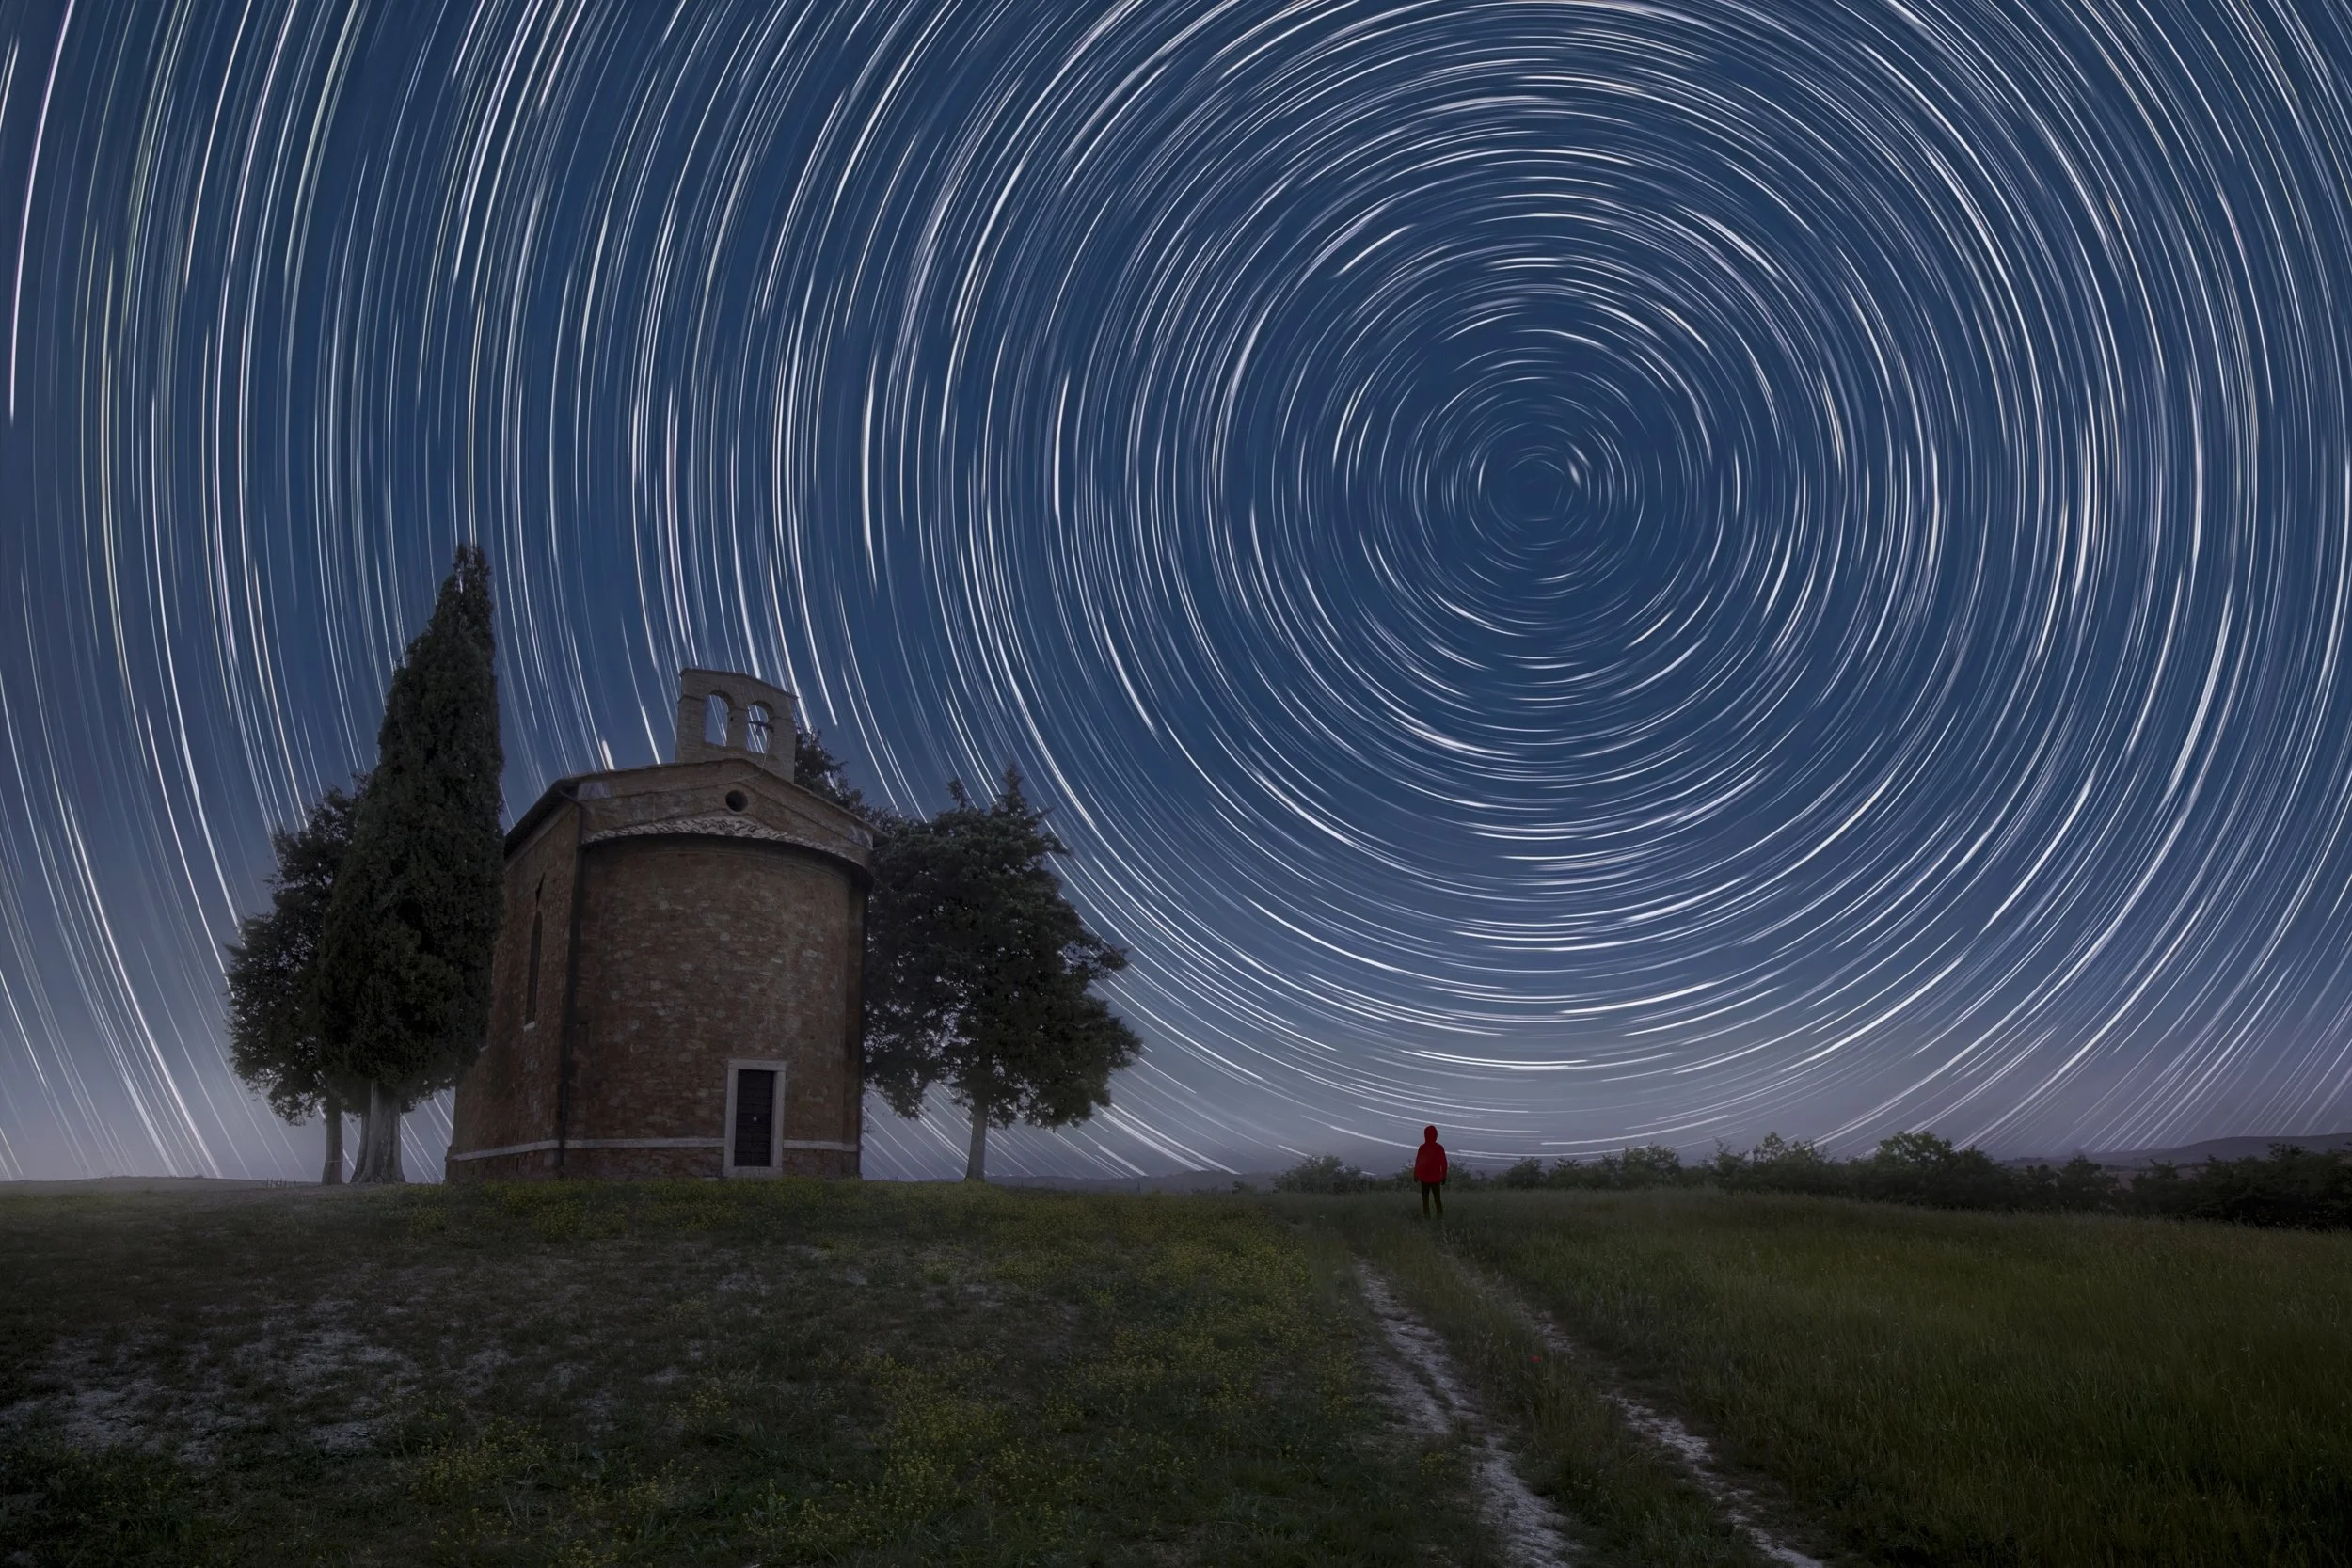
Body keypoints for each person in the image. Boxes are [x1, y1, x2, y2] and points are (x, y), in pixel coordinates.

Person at [1414, 1125, 1448, 1217]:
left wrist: (1416, 1174)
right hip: (1434, 1178)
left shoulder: (1423, 1148)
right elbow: (1444, 1163)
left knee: (1426, 1201)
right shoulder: (1439, 1148)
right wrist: (1443, 1176)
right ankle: (1439, 1219)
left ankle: (1428, 1219)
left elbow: (1418, 1162)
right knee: (1437, 1200)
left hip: (1426, 1178)